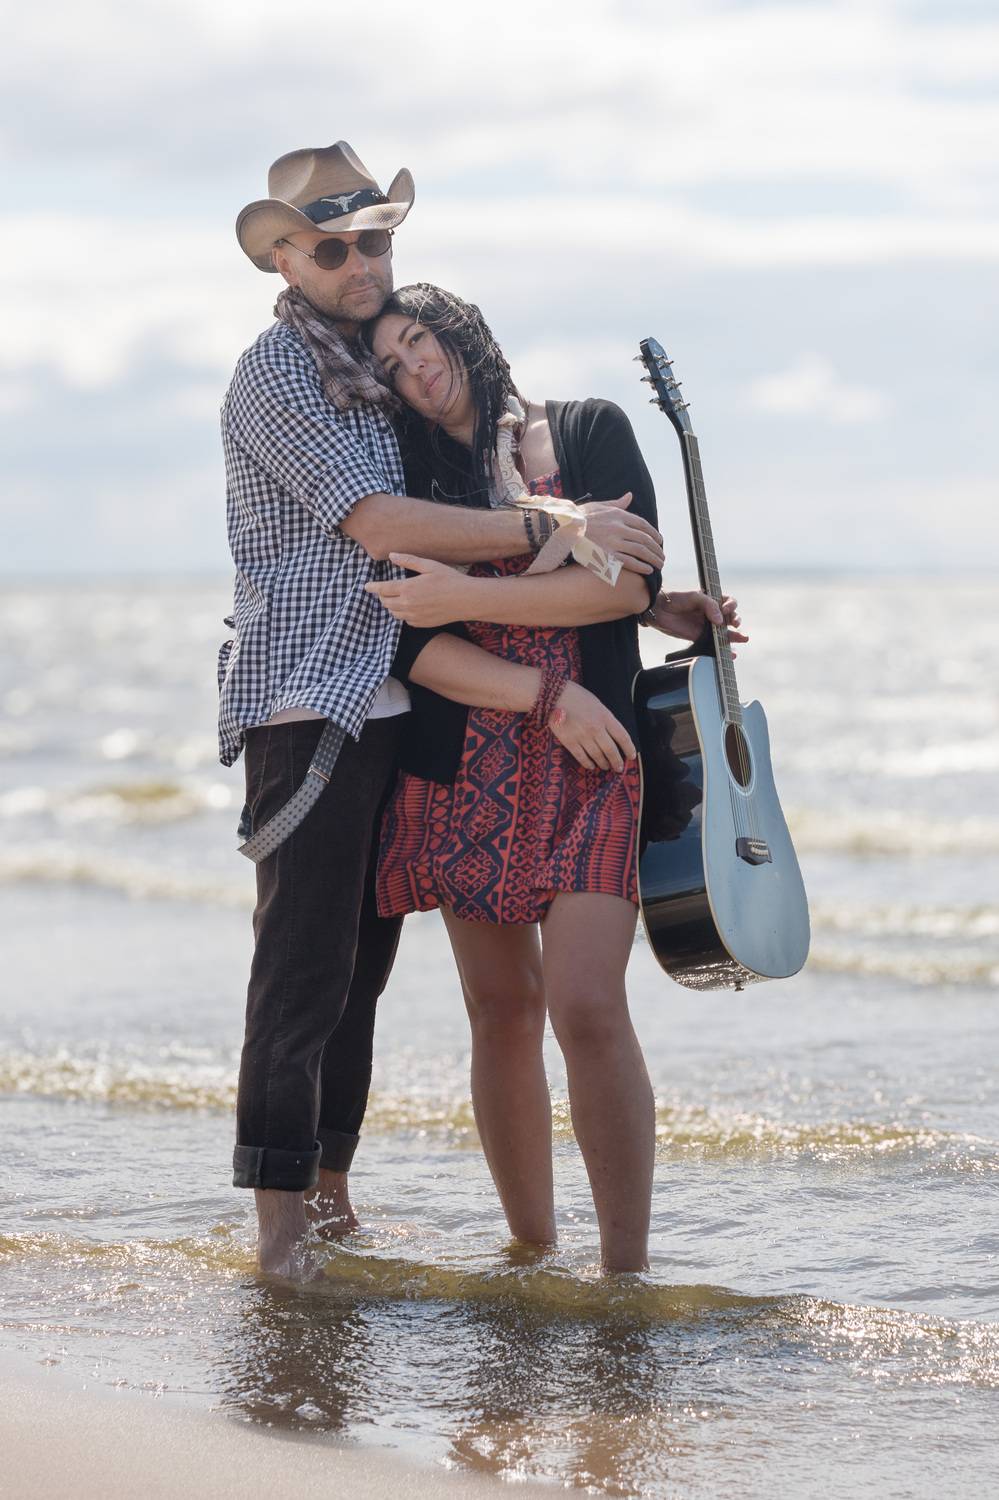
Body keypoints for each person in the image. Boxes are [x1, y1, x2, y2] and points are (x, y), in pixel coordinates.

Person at [220, 143, 668, 1277]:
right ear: (285, 258)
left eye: (375, 242)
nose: (362, 265)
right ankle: (281, 1233)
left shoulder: (381, 385)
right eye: (334, 249)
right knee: (307, 968)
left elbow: (571, 576)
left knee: (361, 976)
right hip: (313, 693)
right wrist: (554, 530)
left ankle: (335, 1201)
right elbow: (383, 532)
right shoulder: (280, 373)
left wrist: (651, 603)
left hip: (400, 711)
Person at [363, 285, 746, 1272]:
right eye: (393, 364)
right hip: (465, 762)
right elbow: (411, 644)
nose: (416, 368)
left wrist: (464, 591)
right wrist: (559, 571)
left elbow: (626, 586)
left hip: (596, 752)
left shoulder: (588, 428)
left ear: (462, 331)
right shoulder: (408, 470)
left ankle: (625, 1272)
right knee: (500, 1010)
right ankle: (529, 1254)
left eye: (420, 339)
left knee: (586, 1005)